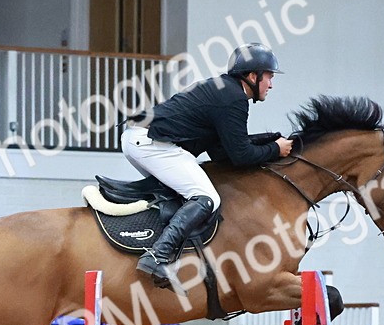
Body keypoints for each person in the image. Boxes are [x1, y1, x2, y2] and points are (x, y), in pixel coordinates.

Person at [121, 43, 294, 292]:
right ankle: (157, 256)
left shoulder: (225, 90)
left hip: (140, 139)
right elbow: (241, 155)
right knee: (206, 196)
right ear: (253, 76)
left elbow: (221, 151)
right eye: (269, 76)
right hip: (150, 143)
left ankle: (164, 252)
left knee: (183, 194)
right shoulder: (234, 98)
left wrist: (268, 141)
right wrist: (276, 149)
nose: (271, 84)